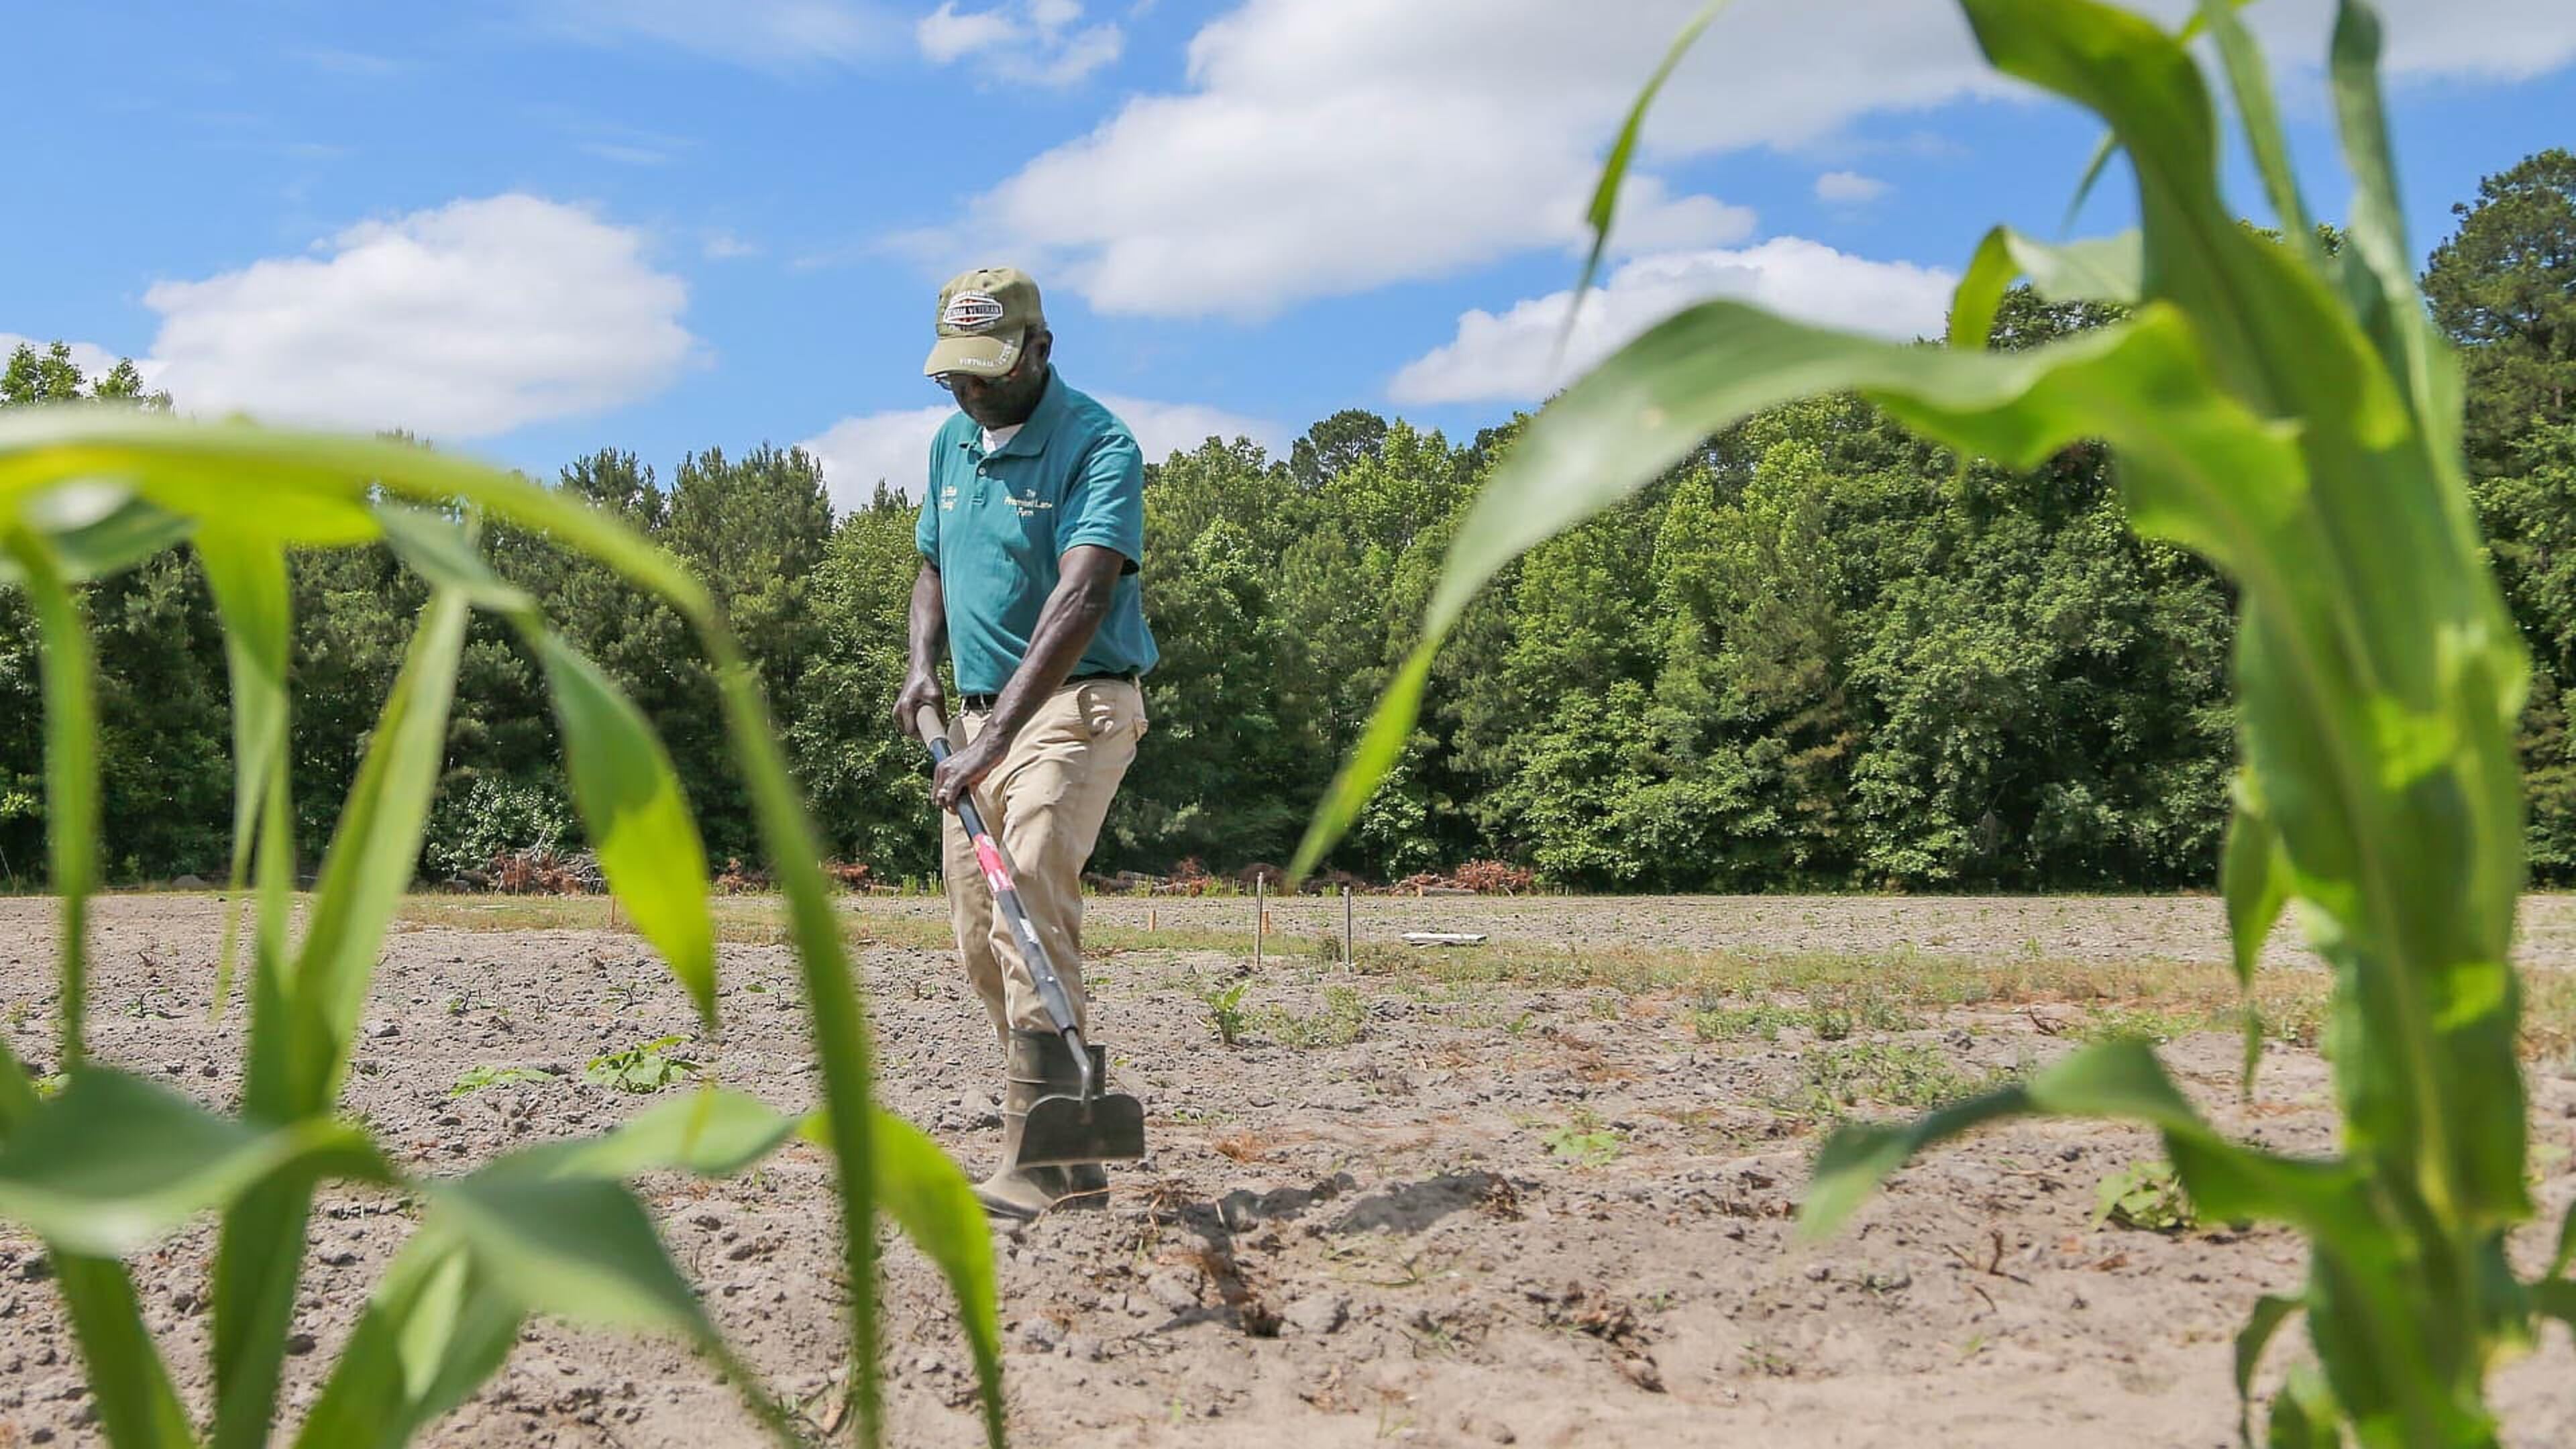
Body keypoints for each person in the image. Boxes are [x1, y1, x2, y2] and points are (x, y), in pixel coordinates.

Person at [894, 265, 1158, 1221]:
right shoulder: (950, 446)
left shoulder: (1099, 445)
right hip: (969, 719)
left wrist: (995, 736)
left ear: (1041, 350)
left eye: (988, 372)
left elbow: (1082, 597)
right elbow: (932, 564)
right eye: (953, 375)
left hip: (1070, 708)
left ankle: (1038, 1159)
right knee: (979, 939)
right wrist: (922, 667)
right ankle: (1074, 1137)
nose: (969, 391)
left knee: (1034, 882)